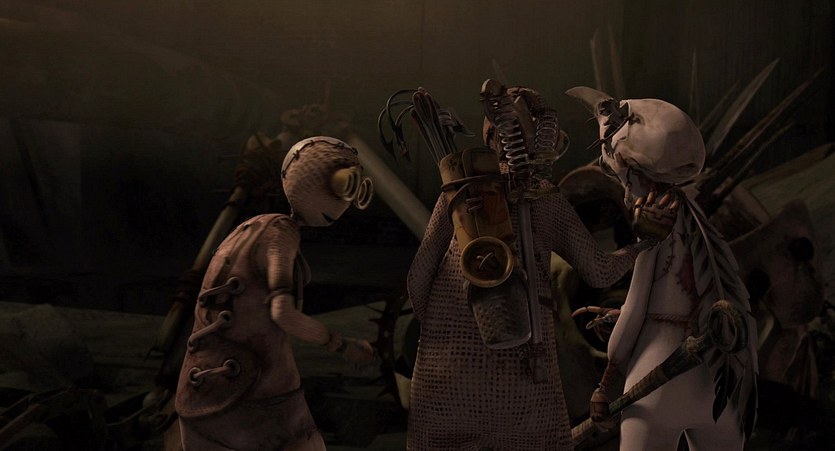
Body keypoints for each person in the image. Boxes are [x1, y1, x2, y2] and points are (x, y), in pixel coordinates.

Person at [405, 81, 654, 450]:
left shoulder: (459, 190)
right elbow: (600, 272)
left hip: (443, 376)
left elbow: (418, 276)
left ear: (489, 135)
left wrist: (440, 334)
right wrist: (644, 245)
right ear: (543, 139)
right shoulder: (545, 199)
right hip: (524, 374)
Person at [567, 87, 758, 450]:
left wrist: (605, 384)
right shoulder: (697, 219)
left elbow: (635, 311)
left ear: (630, 168)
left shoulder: (654, 223)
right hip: (720, 386)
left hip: (660, 376)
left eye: (617, 173)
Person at [175, 136, 376, 451]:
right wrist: (343, 345)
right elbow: (283, 313)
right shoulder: (281, 236)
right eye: (346, 187)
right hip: (255, 399)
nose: (347, 204)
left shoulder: (252, 227)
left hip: (198, 395)